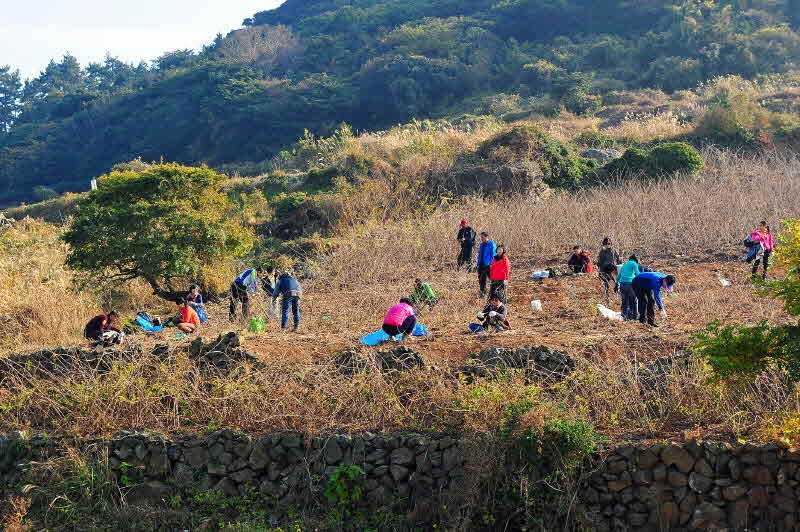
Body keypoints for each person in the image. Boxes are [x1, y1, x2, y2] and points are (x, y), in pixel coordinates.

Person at [616, 255, 642, 321]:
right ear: (635, 260)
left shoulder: (624, 265)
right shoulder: (634, 263)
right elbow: (638, 273)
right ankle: (635, 316)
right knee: (634, 300)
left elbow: (618, 276)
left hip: (622, 284)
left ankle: (624, 316)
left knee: (624, 301)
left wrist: (617, 283)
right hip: (630, 284)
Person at [597, 238, 620, 302]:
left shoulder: (614, 251)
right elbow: (599, 261)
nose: (607, 245)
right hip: (605, 270)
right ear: (603, 244)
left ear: (611, 244)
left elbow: (618, 260)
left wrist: (618, 268)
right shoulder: (602, 251)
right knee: (606, 284)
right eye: (605, 244)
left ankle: (617, 296)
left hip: (613, 269)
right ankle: (607, 297)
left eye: (608, 244)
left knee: (616, 283)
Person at [476, 232, 497, 298]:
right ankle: (483, 293)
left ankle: (495, 293)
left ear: (486, 237)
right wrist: (478, 263)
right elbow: (479, 254)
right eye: (481, 237)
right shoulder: (481, 244)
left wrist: (492, 264)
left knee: (492, 279)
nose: (481, 238)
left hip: (488, 264)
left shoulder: (491, 244)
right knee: (481, 279)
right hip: (481, 264)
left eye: (482, 237)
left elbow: (493, 255)